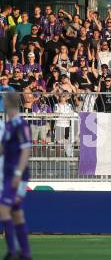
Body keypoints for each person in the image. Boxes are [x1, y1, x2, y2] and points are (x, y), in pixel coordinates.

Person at [0, 93, 32, 260]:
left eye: (4, 102)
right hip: (8, 174)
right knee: (16, 213)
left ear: (9, 104)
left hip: (16, 175)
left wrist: (18, 174)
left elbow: (26, 150)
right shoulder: (8, 126)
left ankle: (12, 252)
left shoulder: (21, 124)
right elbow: (3, 150)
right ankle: (26, 254)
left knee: (3, 210)